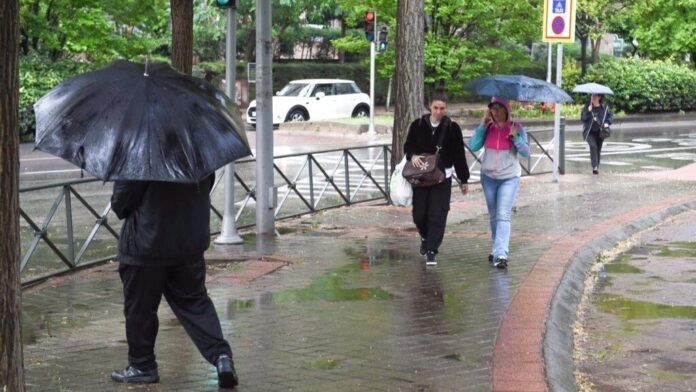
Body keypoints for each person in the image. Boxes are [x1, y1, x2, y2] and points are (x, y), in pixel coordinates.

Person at [109, 175, 239, 389]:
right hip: (187, 244)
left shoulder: (141, 152)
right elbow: (205, 187)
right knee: (195, 303)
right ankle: (222, 357)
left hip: (146, 245)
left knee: (140, 308)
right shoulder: (196, 148)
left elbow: (121, 203)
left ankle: (142, 366)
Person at [404, 90, 470, 266]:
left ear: (446, 108)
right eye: (436, 108)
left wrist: (464, 179)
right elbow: (408, 146)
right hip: (422, 177)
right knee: (419, 214)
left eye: (442, 108)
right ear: (429, 106)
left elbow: (459, 155)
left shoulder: (452, 128)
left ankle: (432, 249)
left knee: (438, 213)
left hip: (442, 177)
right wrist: (413, 156)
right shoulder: (417, 125)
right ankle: (425, 237)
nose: (439, 112)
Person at [469, 97, 530, 269]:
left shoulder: (516, 127)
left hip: (509, 178)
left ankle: (501, 254)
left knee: (503, 214)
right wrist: (482, 126)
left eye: (498, 108)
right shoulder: (487, 128)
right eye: (492, 108)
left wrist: (516, 139)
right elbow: (473, 146)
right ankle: (497, 248)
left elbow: (526, 153)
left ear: (506, 109)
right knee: (494, 215)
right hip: (488, 178)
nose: (495, 111)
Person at [581, 93, 613, 174]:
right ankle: (594, 166)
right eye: (592, 96)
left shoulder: (605, 108)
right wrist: (588, 111)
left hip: (600, 132)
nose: (593, 98)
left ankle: (596, 167)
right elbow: (583, 119)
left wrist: (607, 122)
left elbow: (610, 117)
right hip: (589, 132)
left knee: (598, 149)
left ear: (599, 97)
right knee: (593, 146)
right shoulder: (587, 107)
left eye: (595, 96)